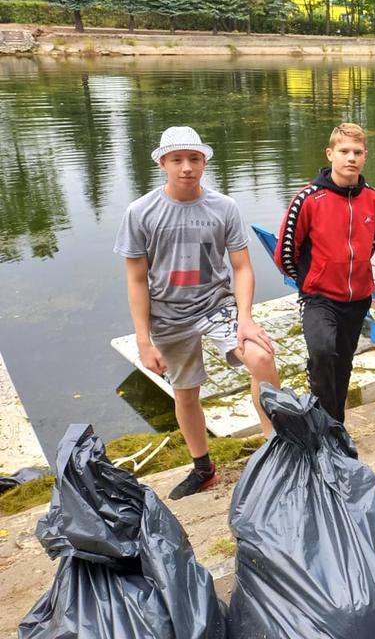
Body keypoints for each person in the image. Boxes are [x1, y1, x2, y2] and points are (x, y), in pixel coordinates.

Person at [115, 126, 280, 500]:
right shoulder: (140, 212)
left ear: (205, 162)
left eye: (194, 159)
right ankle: (203, 468)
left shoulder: (224, 207)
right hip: (169, 316)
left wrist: (246, 317)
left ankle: (277, 447)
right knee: (185, 394)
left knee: (262, 357)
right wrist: (144, 341)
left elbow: (241, 267)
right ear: (162, 163)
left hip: (217, 306)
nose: (186, 167)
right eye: (177, 160)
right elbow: (137, 280)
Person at [275, 122, 375, 424]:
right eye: (344, 151)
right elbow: (286, 252)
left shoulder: (374, 200)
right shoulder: (308, 199)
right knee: (323, 353)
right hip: (319, 296)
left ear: (364, 156)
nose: (351, 158)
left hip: (358, 298)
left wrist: (355, 272)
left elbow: (370, 243)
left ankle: (336, 424)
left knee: (344, 363)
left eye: (357, 152)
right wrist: (309, 280)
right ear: (330, 154)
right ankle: (325, 424)